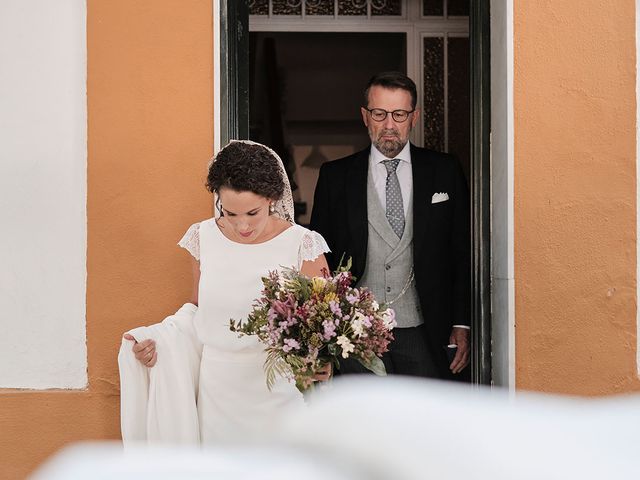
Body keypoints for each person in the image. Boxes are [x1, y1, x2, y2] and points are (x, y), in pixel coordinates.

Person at [123, 140, 331, 443]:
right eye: (230, 213)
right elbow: (196, 312)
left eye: (252, 213)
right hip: (219, 394)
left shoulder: (303, 245)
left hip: (280, 394)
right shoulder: (202, 237)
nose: (242, 226)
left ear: (272, 199)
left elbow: (323, 324)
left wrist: (320, 358)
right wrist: (158, 340)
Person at [310, 72, 470, 380]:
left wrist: (462, 323)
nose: (389, 125)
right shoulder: (335, 176)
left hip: (425, 330)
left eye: (399, 114)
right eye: (379, 114)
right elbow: (321, 261)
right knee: (362, 424)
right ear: (365, 117)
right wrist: (320, 335)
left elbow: (461, 252)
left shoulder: (444, 171)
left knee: (422, 422)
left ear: (414, 117)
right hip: (354, 334)